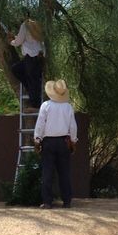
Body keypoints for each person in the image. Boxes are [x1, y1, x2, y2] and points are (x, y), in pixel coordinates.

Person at [34, 79, 78, 209]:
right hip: (64, 141)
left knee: (47, 172)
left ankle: (47, 201)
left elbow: (40, 123)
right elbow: (73, 126)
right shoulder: (68, 107)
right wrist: (73, 141)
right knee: (64, 172)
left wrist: (37, 139)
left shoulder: (46, 105)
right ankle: (67, 201)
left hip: (48, 142)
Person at [10, 17, 45, 108]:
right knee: (34, 79)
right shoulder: (37, 24)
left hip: (31, 56)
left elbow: (18, 42)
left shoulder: (25, 25)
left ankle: (35, 105)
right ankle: (31, 94)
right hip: (39, 56)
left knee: (31, 79)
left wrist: (11, 41)